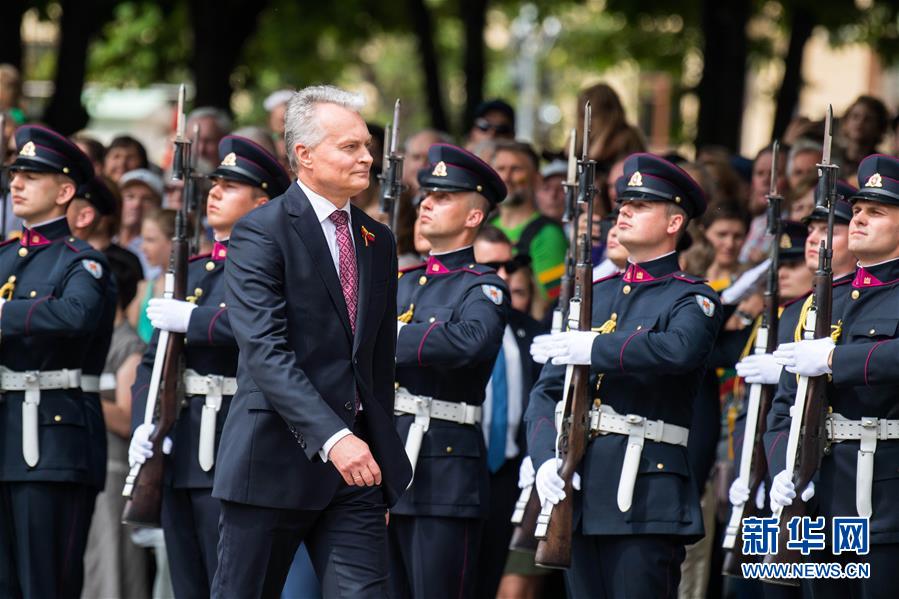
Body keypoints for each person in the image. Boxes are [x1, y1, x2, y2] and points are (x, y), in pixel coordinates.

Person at [210, 85, 411, 598]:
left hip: (357, 471)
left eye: (366, 144)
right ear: (304, 154)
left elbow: (375, 359)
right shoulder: (261, 231)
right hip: (272, 459)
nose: (367, 156)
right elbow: (264, 350)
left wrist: (379, 458)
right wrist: (333, 438)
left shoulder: (377, 238)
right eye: (350, 147)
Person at [527, 153, 723, 598]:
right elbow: (547, 392)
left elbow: (677, 350)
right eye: (623, 205)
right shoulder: (593, 294)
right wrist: (543, 459)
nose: (624, 212)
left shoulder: (692, 298)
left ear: (675, 223)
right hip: (579, 491)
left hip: (644, 494)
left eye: (641, 205)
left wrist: (594, 347)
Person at [128, 135, 290, 598]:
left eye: (230, 186)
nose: (214, 192)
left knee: (233, 584)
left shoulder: (276, 268)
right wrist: (148, 423)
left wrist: (196, 320)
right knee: (188, 584)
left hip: (237, 447)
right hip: (180, 447)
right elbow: (152, 362)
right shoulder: (195, 270)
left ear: (262, 202)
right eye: (215, 183)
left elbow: (266, 331)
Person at [766, 156, 899, 597]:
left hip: (885, 499)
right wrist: (781, 466)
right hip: (821, 497)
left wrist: (835, 360)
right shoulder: (821, 303)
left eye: (876, 212)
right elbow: (787, 405)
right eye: (858, 210)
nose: (859, 218)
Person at [388, 143, 508, 599]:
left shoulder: (483, 287)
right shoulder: (402, 282)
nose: (426, 205)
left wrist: (392, 342)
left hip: (445, 469)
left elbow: (471, 340)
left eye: (442, 198)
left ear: (473, 217)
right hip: (390, 461)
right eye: (426, 196)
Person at [0, 125, 112, 598]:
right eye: (15, 174)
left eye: (32, 175)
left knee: (46, 583)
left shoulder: (80, 260)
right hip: (6, 430)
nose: (16, 183)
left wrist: (6, 313)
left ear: (65, 191)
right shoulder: (5, 256)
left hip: (53, 438)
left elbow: (77, 314)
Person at [472, 225, 546, 599]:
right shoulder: (451, 328)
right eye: (491, 266)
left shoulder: (531, 332)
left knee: (496, 577)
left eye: (509, 265)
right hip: (460, 466)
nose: (503, 276)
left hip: (511, 474)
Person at [489, 140, 568, 303]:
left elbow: (553, 304)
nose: (506, 177)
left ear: (537, 179)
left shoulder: (548, 234)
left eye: (516, 169)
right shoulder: (484, 226)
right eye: (500, 169)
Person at [126, 208, 175, 344]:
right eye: (143, 239)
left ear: (173, 242)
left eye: (150, 240)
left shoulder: (193, 285)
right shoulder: (144, 288)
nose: (143, 247)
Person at [740, 145, 788, 264]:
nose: (766, 180)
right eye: (760, 173)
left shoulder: (792, 223)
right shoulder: (756, 221)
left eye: (775, 174)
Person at [116, 168, 165, 278]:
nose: (136, 204)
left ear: (158, 205)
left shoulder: (160, 246)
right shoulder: (105, 236)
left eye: (147, 199)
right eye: (130, 197)